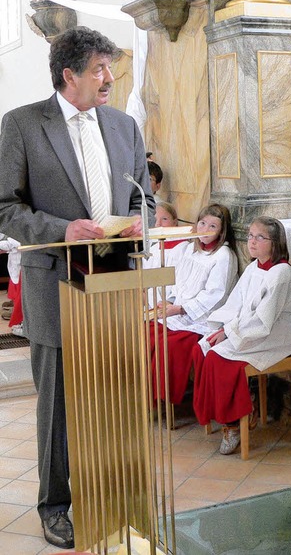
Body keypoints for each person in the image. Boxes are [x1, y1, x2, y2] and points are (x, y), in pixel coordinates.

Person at [0, 27, 154, 549]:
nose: (110, 78)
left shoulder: (124, 126)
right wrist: (60, 229)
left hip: (116, 284)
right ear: (69, 76)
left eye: (110, 68)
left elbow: (144, 197)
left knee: (115, 395)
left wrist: (138, 220)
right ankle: (56, 505)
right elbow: (5, 207)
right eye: (99, 70)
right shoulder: (22, 124)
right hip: (56, 286)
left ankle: (112, 495)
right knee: (59, 408)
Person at [192, 216, 291, 455]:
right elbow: (236, 304)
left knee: (218, 359)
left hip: (277, 334)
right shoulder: (255, 267)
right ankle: (225, 414)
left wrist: (230, 333)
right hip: (247, 329)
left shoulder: (280, 273)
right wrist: (221, 328)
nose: (252, 242)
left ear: (275, 243)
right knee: (201, 347)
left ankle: (234, 423)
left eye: (260, 237)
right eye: (250, 236)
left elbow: (264, 320)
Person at [148, 203, 238, 405]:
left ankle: (164, 398)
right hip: (177, 313)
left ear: (222, 231)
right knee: (147, 332)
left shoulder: (223, 256)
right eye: (202, 223)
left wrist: (180, 309)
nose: (205, 230)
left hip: (202, 320)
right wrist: (169, 300)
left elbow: (215, 295)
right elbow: (177, 280)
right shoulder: (190, 249)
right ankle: (144, 391)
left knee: (169, 345)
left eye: (212, 226)